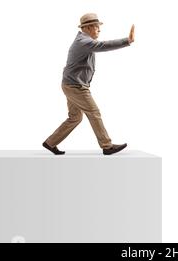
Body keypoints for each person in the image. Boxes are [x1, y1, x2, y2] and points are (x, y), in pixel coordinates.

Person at [43, 13, 135, 155]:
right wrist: (127, 41)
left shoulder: (84, 40)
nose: (99, 30)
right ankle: (107, 145)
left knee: (75, 117)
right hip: (76, 87)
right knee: (94, 112)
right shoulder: (84, 42)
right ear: (89, 27)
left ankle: (50, 142)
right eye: (97, 27)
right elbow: (102, 46)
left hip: (71, 84)